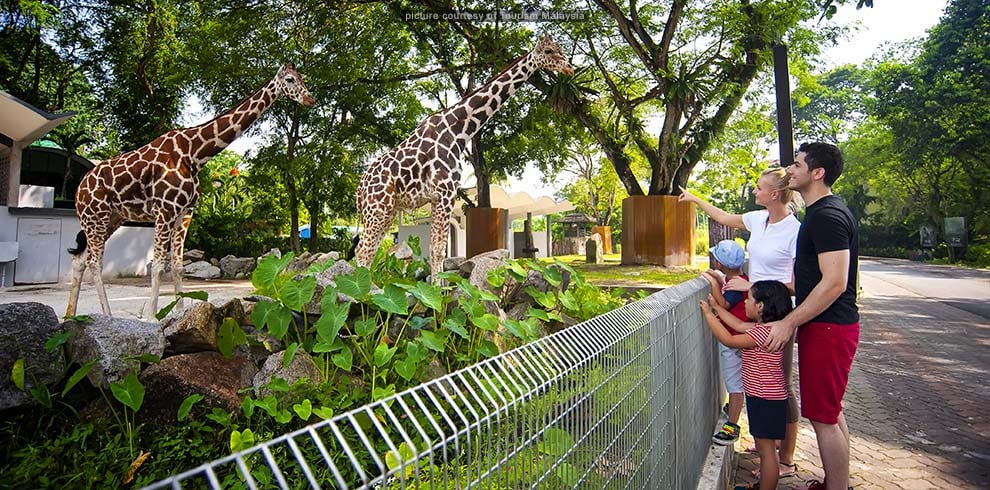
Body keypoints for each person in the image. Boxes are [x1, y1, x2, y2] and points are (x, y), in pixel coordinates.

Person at [679, 167, 802, 479]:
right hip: (754, 313)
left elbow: (796, 284)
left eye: (759, 188)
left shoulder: (795, 231)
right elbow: (722, 217)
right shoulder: (757, 220)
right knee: (760, 382)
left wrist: (752, 287)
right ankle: (767, 444)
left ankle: (784, 457)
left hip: (778, 317)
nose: (754, 192)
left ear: (775, 194)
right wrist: (694, 199)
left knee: (780, 386)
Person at [763, 142, 859, 490]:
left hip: (830, 327)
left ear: (817, 173)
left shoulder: (827, 217)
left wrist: (789, 321)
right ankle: (838, 482)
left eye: (798, 164)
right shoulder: (820, 213)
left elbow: (834, 283)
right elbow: (817, 277)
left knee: (823, 417)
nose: (789, 169)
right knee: (830, 411)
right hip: (826, 326)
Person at [700, 280, 794, 490]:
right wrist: (716, 308)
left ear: (760, 306)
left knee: (766, 450)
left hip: (765, 399)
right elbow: (739, 325)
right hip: (765, 397)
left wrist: (708, 314)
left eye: (749, 299)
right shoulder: (766, 328)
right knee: (765, 448)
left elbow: (730, 340)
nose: (745, 303)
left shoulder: (762, 333)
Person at [701, 240, 749, 446]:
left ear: (720, 264)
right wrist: (717, 279)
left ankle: (732, 425)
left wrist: (712, 284)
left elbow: (725, 304)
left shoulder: (735, 286)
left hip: (732, 340)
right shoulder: (741, 279)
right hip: (738, 337)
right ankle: (734, 408)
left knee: (734, 384)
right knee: (736, 381)